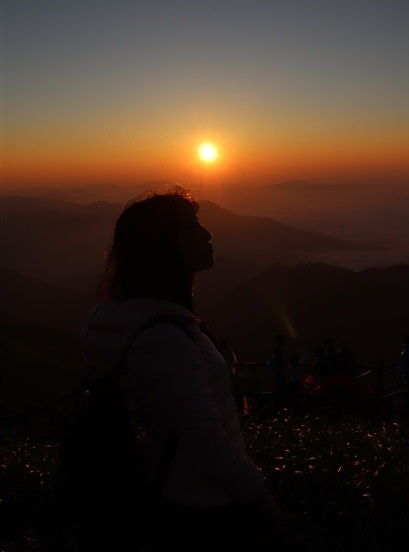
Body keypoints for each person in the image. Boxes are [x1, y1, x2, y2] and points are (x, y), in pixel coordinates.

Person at [81, 190, 285, 550]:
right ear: (163, 248)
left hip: (187, 500)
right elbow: (206, 444)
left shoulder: (158, 325)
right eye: (192, 227)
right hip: (203, 514)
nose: (207, 234)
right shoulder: (164, 340)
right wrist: (262, 501)